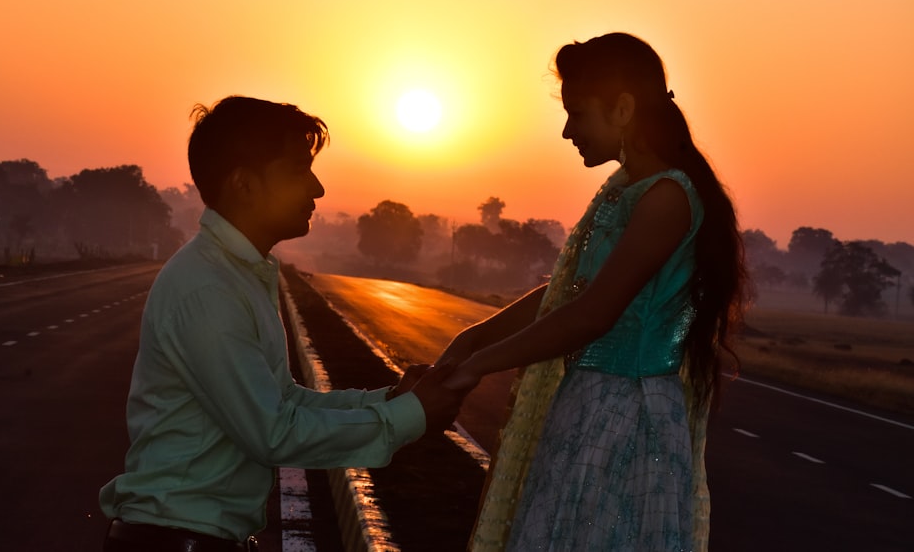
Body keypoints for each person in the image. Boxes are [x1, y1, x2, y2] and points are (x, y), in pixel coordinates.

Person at [99, 96, 463, 551]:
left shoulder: (239, 274)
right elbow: (273, 433)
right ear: (244, 185)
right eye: (297, 170)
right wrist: (410, 416)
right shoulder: (209, 288)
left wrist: (390, 398)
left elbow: (283, 400)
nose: (317, 188)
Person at [440, 33, 750, 551]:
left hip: (629, 415)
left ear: (623, 108)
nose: (567, 131)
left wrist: (479, 366)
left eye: (577, 114)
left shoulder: (667, 197)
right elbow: (567, 294)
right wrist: (472, 340)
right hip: (590, 403)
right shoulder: (631, 189)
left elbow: (592, 314)